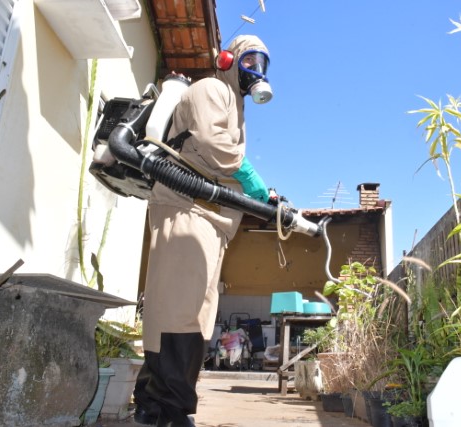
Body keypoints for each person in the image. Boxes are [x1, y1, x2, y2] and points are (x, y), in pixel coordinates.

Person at [132, 35, 274, 427]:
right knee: (179, 311)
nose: (256, 73)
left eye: (262, 65)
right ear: (228, 60)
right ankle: (169, 408)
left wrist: (262, 196)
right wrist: (248, 175)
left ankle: (155, 407)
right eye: (250, 62)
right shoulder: (211, 87)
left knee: (195, 315)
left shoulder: (236, 107)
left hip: (210, 221)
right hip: (187, 209)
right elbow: (213, 144)